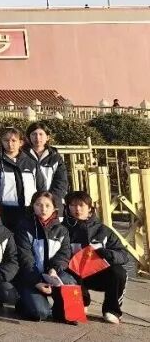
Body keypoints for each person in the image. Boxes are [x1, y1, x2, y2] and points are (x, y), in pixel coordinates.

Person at [63, 190, 130, 324]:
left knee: (119, 272)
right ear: (68, 207)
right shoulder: (62, 229)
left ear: (89, 208)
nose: (77, 209)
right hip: (73, 275)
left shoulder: (103, 230)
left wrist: (107, 253)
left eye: (81, 205)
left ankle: (112, 310)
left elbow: (123, 255)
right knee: (66, 268)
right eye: (73, 205)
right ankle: (81, 301)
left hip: (97, 274)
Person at [15, 190, 75, 322]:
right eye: (38, 205)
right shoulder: (24, 228)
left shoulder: (62, 230)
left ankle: (64, 313)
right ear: (33, 206)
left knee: (69, 281)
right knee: (40, 313)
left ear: (54, 208)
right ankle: (23, 303)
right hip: (31, 276)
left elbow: (64, 254)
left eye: (48, 205)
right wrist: (36, 281)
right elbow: (25, 258)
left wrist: (54, 269)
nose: (43, 209)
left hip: (52, 274)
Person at [0, 127, 38, 230]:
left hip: (28, 209)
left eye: (13, 140)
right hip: (5, 209)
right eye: (6, 140)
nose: (10, 143)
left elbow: (40, 185)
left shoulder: (31, 163)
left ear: (20, 142)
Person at [25, 122, 69, 206]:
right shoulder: (22, 156)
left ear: (47, 137)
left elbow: (61, 181)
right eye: (34, 134)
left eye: (41, 134)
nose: (37, 137)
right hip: (28, 202)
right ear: (28, 137)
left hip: (52, 201)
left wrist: (51, 199)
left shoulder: (55, 157)